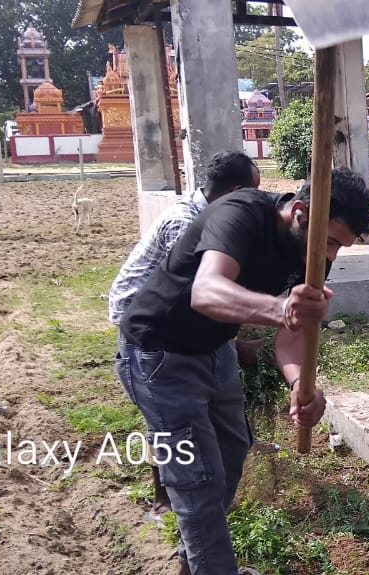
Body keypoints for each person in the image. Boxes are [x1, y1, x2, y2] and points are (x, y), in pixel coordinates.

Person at [116, 168, 369, 575]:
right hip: (159, 352)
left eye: (340, 247)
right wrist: (280, 308)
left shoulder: (313, 254)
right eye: (329, 243)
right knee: (197, 480)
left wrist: (299, 382)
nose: (331, 257)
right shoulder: (240, 212)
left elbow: (292, 335)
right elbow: (206, 291)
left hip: (215, 348)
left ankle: (195, 565)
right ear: (300, 213)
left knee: (231, 452)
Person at [107, 150, 261, 523]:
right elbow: (197, 298)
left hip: (178, 318)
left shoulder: (211, 215)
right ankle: (165, 500)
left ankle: (200, 505)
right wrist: (237, 341)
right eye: (253, 192)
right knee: (170, 422)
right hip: (147, 326)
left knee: (203, 426)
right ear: (236, 192)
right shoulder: (186, 222)